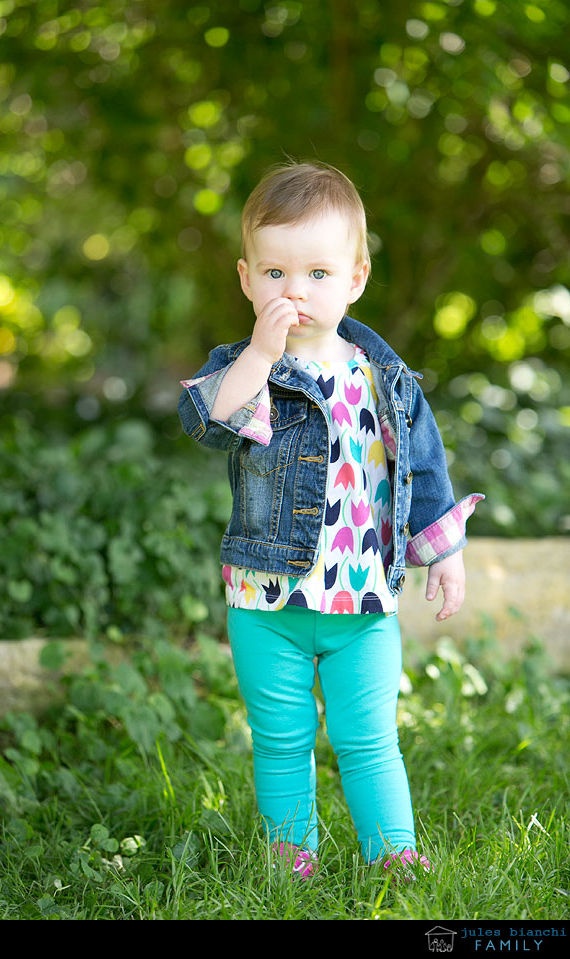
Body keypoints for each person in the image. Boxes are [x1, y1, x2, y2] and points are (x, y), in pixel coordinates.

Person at [178, 161, 484, 882]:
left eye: (317, 272)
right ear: (247, 279)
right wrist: (260, 350)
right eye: (275, 272)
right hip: (267, 600)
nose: (294, 291)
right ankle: (292, 854)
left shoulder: (386, 378)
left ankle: (394, 852)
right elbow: (211, 422)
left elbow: (425, 470)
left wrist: (443, 552)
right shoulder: (248, 369)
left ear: (355, 279)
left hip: (363, 603)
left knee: (368, 735)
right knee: (280, 737)